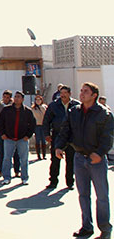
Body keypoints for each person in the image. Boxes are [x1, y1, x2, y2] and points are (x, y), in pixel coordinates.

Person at [55, 82, 114, 239]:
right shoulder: (74, 111)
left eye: (85, 91)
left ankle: (105, 229)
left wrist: (100, 153)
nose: (82, 94)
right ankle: (86, 226)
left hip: (97, 161)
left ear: (94, 95)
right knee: (83, 195)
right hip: (79, 158)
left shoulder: (104, 114)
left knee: (101, 196)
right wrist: (59, 147)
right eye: (81, 91)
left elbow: (108, 137)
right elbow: (65, 131)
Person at [43, 85, 80, 190]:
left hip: (71, 137)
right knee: (55, 160)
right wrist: (46, 134)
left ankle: (70, 182)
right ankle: (53, 181)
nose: (63, 95)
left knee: (70, 160)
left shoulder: (76, 105)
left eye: (65, 93)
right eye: (61, 93)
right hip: (57, 136)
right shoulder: (53, 105)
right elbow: (46, 121)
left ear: (70, 94)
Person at [0, 91, 36, 185]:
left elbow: (32, 124)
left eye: (18, 97)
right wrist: (2, 133)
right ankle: (6, 177)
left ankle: (24, 178)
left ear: (22, 99)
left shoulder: (27, 111)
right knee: (7, 158)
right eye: (15, 97)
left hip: (22, 139)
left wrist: (28, 135)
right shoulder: (6, 110)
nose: (16, 98)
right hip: (9, 138)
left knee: (24, 159)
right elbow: (0, 122)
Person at [0, 90, 20, 178]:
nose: (6, 99)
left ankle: (17, 170)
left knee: (15, 152)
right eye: (4, 97)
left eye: (8, 97)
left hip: (13, 132)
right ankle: (1, 170)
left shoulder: (15, 106)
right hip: (1, 132)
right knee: (2, 151)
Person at [31, 95, 48, 160]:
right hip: (37, 125)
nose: (38, 101)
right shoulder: (33, 108)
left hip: (43, 125)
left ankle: (44, 155)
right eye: (37, 100)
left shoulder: (44, 107)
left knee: (43, 141)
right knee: (37, 140)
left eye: (39, 100)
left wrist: (42, 107)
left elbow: (45, 114)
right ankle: (38, 155)